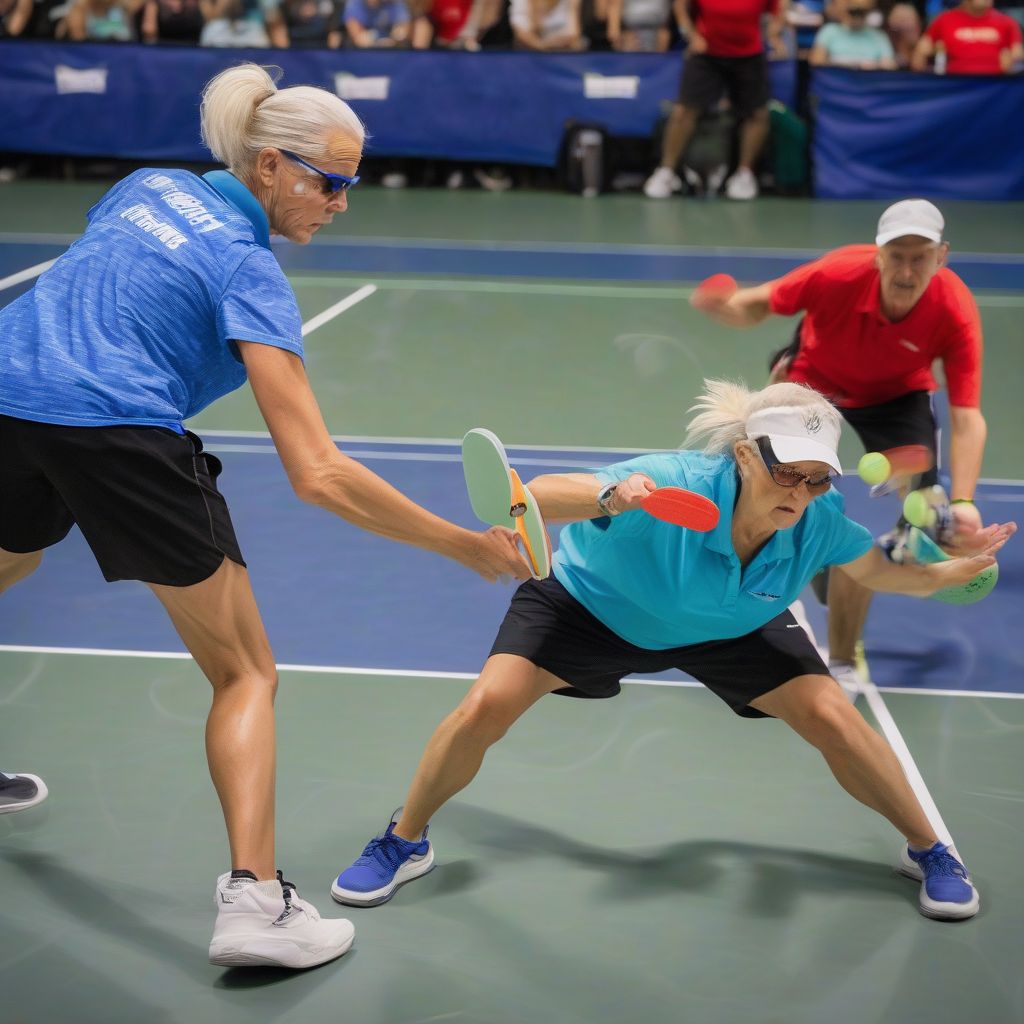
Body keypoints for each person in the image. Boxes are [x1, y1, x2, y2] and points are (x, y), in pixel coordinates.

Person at [0, 63, 528, 970]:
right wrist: (459, 544)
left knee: (12, 561)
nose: (341, 202)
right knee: (246, 673)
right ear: (271, 165)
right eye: (330, 181)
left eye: (351, 185)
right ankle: (256, 902)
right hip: (119, 427)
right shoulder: (251, 272)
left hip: (10, 394)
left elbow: (99, 289)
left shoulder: (146, 185)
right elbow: (318, 473)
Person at [331, 380, 1014, 922]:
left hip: (730, 623)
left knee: (835, 718)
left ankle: (931, 850)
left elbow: (873, 572)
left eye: (818, 479)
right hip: (593, 608)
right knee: (488, 703)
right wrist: (614, 496)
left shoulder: (818, 523)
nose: (801, 493)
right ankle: (404, 838)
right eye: (787, 473)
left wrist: (946, 576)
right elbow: (534, 496)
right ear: (746, 454)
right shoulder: (674, 482)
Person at [690, 199, 989, 694]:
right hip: (812, 384)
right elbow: (760, 302)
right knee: (772, 494)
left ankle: (844, 660)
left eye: (921, 256)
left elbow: (966, 416)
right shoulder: (836, 275)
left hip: (898, 396)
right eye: (898, 255)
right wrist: (728, 307)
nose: (908, 269)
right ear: (878, 255)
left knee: (926, 514)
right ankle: (781, 577)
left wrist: (964, 502)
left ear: (943, 256)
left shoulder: (954, 311)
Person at [643, 0, 787, 201]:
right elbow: (680, 7)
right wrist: (691, 35)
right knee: (684, 111)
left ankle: (744, 174)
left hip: (749, 55)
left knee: (758, 114)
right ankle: (667, 172)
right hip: (706, 54)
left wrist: (773, 33)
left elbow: (778, 10)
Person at [912, 0, 1022, 72]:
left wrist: (1011, 65)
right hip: (957, 89)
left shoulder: (1008, 23)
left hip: (995, 89)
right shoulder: (944, 20)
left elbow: (1018, 59)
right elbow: (919, 56)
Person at [810, 0, 897, 66]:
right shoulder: (829, 31)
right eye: (853, 11)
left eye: (861, 12)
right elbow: (817, 66)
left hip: (868, 84)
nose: (857, 16)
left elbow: (889, 69)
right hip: (837, 84)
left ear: (868, 11)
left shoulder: (879, 36)